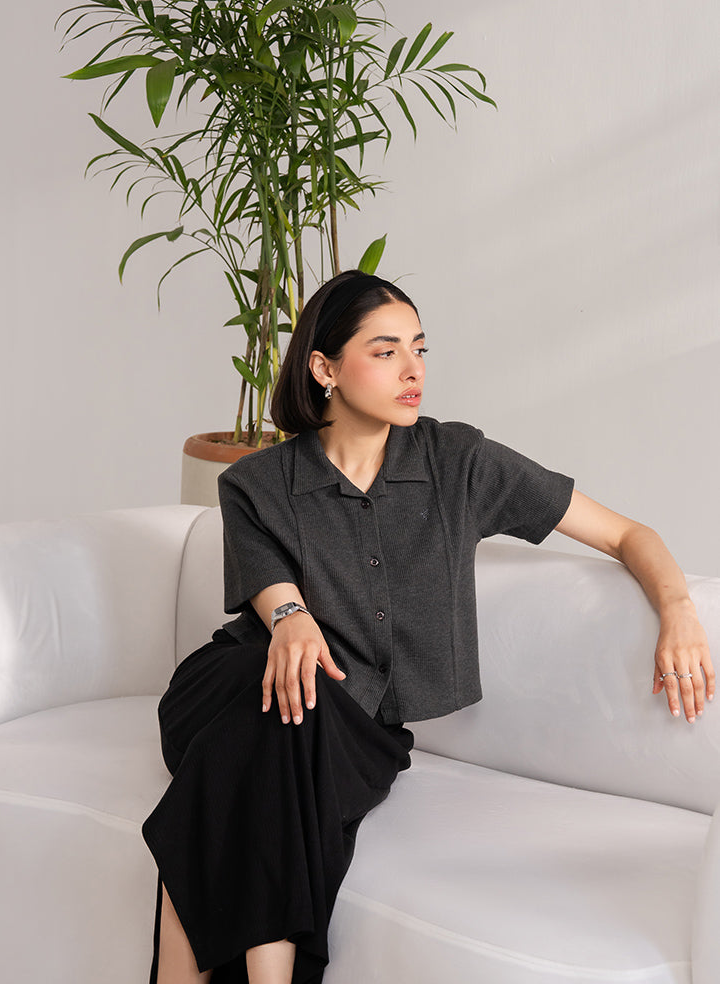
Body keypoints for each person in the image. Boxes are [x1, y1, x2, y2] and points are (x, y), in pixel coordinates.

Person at [142, 270, 714, 984]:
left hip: (349, 729)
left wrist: (678, 610)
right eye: (385, 352)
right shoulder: (256, 483)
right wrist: (289, 618)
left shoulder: (459, 463)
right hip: (230, 687)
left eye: (419, 348)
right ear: (324, 368)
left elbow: (629, 535)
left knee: (284, 727)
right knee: (284, 700)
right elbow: (276, 600)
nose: (413, 370)